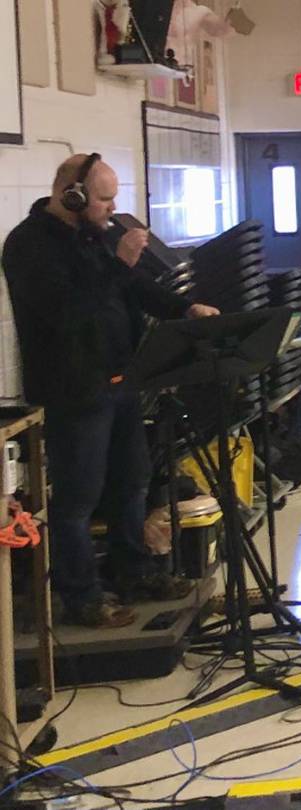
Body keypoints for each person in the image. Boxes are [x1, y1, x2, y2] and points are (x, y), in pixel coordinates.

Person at [0, 153, 219, 629]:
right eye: (103, 198)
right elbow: (67, 313)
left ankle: (135, 572)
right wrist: (119, 263)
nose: (110, 207)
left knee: (132, 483)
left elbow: (134, 289)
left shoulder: (93, 238)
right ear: (71, 194)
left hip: (121, 379)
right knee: (78, 497)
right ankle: (82, 596)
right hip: (73, 387)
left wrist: (187, 309)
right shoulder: (29, 245)